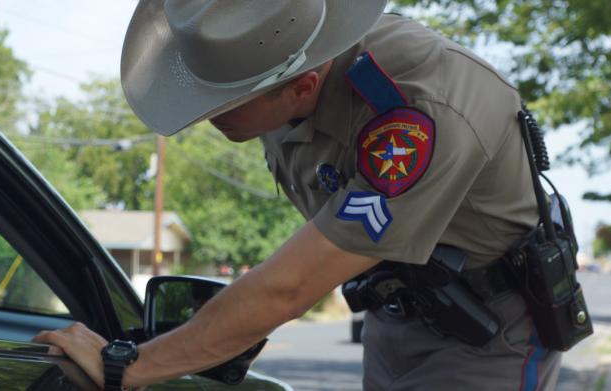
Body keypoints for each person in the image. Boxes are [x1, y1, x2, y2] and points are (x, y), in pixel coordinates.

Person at [34, 1, 567, 390]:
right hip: (397, 309)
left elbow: (289, 289)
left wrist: (131, 365)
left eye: (224, 102)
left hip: (488, 333)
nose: (205, 115)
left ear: (302, 85)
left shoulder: (420, 111)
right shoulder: (269, 55)